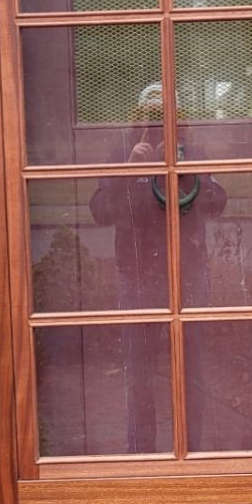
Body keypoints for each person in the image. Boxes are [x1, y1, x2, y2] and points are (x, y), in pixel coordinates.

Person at [89, 82, 226, 452]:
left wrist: (185, 172)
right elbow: (100, 211)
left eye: (168, 116)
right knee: (139, 372)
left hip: (187, 275)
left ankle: (192, 450)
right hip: (136, 276)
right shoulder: (122, 154)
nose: (158, 124)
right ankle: (141, 454)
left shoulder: (192, 152)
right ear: (137, 120)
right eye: (150, 116)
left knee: (191, 369)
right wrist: (129, 171)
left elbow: (217, 203)